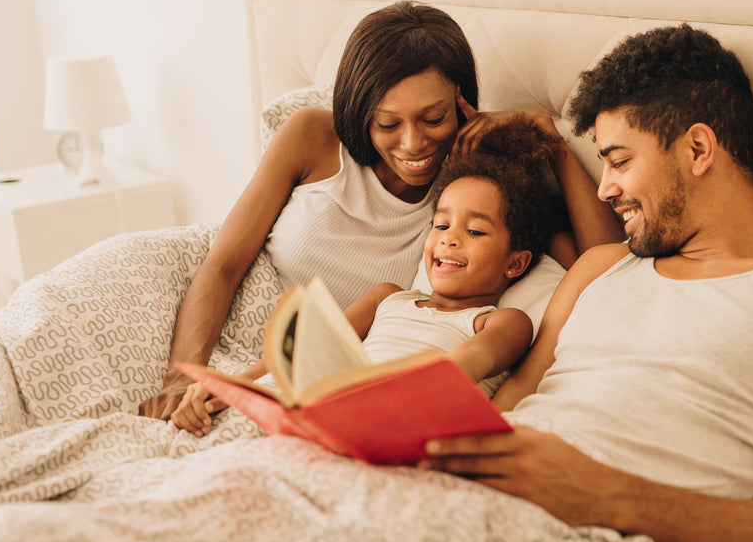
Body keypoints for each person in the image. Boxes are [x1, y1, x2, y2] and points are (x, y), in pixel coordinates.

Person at [424, 23, 753, 542]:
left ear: (698, 149)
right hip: (455, 503)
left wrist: (599, 493)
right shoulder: (599, 270)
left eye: (619, 161)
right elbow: (504, 412)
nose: (605, 190)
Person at [139, 1, 622, 420]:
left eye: (433, 118)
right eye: (387, 123)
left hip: (349, 370)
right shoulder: (311, 136)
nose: (413, 144)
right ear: (358, 111)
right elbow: (223, 263)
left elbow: (604, 272)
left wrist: (551, 143)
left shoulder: (481, 182)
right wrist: (186, 374)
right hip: (263, 350)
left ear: (461, 102)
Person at [171, 118, 559, 437]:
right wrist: (227, 387)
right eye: (440, 224)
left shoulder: (502, 322)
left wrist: (384, 398)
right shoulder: (388, 298)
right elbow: (302, 352)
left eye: (475, 232)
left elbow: (467, 362)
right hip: (332, 413)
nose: (449, 239)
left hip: (399, 424)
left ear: (516, 264)